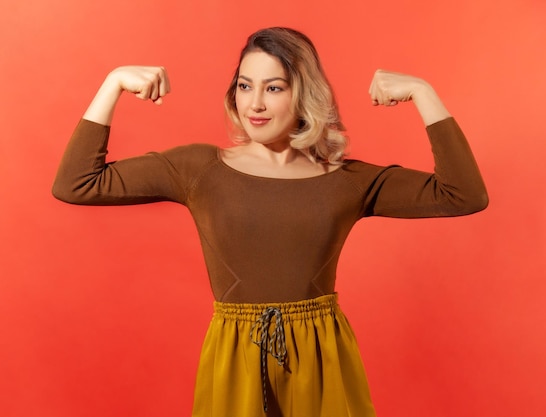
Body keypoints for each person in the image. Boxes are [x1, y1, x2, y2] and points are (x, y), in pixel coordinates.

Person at [53, 27, 488, 417]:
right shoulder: (199, 168)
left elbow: (462, 194)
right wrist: (112, 84)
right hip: (234, 357)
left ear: (303, 94)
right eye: (245, 86)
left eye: (274, 87)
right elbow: (76, 183)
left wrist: (422, 92)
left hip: (323, 358)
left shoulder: (346, 180)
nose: (255, 104)